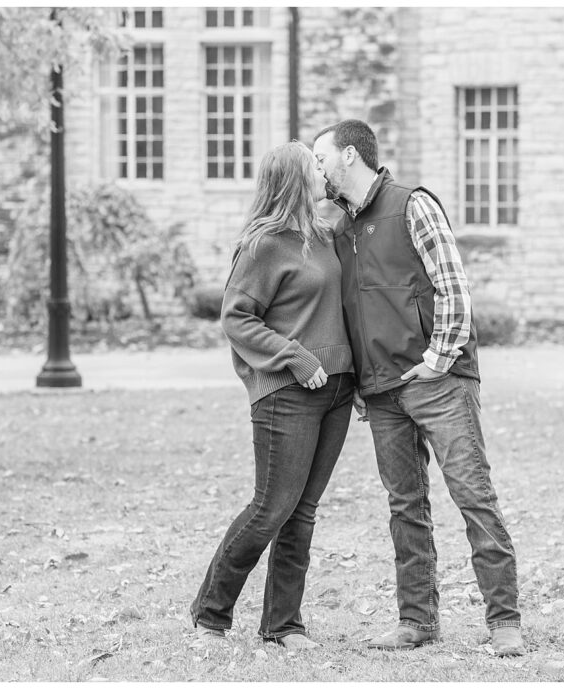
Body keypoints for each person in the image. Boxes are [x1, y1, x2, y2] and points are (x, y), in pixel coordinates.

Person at [313, 120, 526, 657]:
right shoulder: (342, 229)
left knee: (473, 496)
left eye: (321, 158)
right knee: (405, 505)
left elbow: (454, 286)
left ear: (349, 157)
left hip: (438, 381)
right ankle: (416, 622)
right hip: (382, 391)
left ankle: (504, 622)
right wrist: (362, 381)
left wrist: (437, 360)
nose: (316, 169)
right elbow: (354, 309)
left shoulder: (413, 205)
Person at [189, 140, 356, 650]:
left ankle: (283, 625)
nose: (322, 173)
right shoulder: (264, 244)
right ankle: (211, 611)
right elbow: (236, 318)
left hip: (337, 391)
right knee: (271, 507)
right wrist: (296, 357)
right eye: (314, 167)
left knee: (302, 511)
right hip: (286, 392)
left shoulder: (324, 233)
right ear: (294, 179)